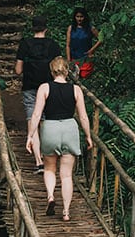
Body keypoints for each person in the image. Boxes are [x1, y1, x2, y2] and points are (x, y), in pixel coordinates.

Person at [25, 56, 93, 221]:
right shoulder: (76, 90)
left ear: (51, 71)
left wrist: (30, 136)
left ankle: (50, 196)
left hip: (50, 128)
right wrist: (88, 136)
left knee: (49, 169)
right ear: (67, 70)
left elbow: (36, 114)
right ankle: (66, 212)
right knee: (67, 175)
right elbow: (83, 117)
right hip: (70, 128)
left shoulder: (44, 88)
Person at [14, 14, 59, 127]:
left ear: (32, 28)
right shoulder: (53, 45)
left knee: (31, 114)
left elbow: (18, 70)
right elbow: (59, 68)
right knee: (46, 114)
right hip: (48, 86)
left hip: (29, 85)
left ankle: (33, 141)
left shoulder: (25, 44)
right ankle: (45, 141)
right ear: (46, 28)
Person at [64, 8, 101, 80]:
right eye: (77, 17)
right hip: (73, 58)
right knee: (73, 79)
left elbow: (101, 39)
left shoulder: (90, 28)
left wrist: (92, 50)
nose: (79, 19)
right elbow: (68, 45)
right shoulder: (71, 28)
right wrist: (68, 60)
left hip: (86, 58)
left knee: (84, 79)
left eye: (81, 17)